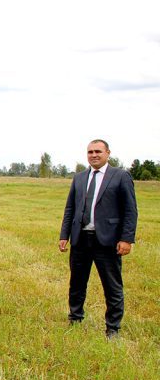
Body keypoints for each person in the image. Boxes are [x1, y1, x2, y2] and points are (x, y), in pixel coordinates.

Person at [59, 139, 138, 338]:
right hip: (81, 239)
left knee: (112, 286)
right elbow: (70, 209)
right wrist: (64, 235)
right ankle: (75, 318)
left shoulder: (120, 177)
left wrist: (126, 239)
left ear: (108, 153)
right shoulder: (79, 178)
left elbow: (130, 211)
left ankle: (113, 328)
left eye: (98, 151)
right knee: (77, 282)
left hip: (107, 241)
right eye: (90, 152)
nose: (94, 155)